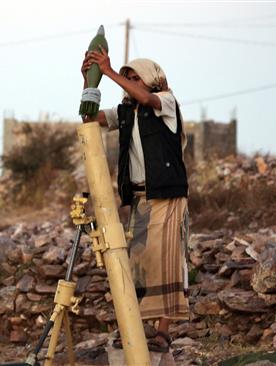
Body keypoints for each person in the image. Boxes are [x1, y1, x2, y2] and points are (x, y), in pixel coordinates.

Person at [81, 47, 190, 354]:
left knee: (165, 259)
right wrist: (90, 81)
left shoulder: (166, 102)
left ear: (152, 79)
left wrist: (110, 71)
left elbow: (147, 99)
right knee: (138, 262)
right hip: (140, 197)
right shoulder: (126, 112)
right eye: (127, 78)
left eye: (134, 77)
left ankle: (163, 332)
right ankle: (137, 329)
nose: (130, 83)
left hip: (168, 195)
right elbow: (90, 116)